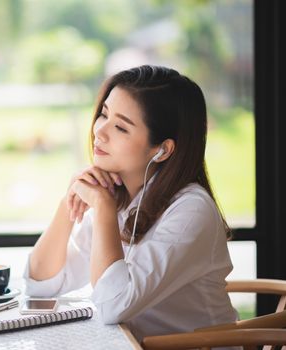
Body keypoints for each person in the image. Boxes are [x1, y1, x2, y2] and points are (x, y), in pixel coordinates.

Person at [23, 65, 238, 342]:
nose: (99, 131)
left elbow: (113, 306)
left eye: (121, 127)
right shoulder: (119, 194)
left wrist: (102, 209)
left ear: (162, 150)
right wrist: (69, 202)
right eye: (103, 114)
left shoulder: (191, 210)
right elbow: (39, 284)